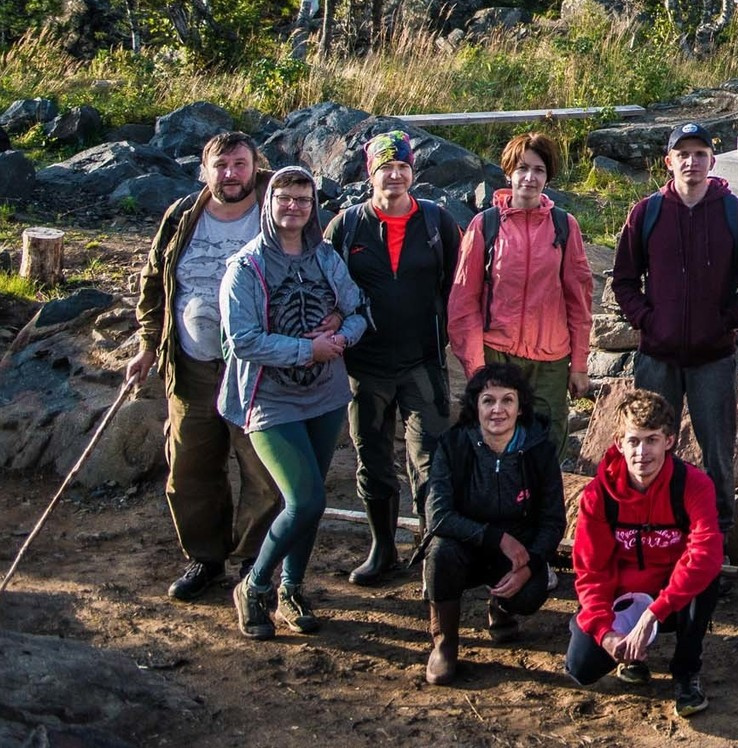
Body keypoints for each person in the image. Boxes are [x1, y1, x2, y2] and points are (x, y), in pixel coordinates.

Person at [126, 130, 281, 603]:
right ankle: (206, 557)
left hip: (258, 372)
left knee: (262, 471)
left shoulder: (279, 208)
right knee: (190, 467)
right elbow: (154, 280)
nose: (230, 175)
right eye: (221, 166)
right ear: (204, 170)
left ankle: (256, 564)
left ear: (255, 166)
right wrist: (148, 342)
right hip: (192, 365)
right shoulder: (181, 217)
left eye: (239, 164)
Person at [217, 164, 370, 640]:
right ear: (269, 202)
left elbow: (359, 309)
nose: (294, 207)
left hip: (324, 396)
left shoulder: (325, 258)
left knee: (309, 501)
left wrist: (340, 337)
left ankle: (292, 587)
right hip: (269, 399)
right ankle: (255, 584)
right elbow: (243, 340)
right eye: (285, 197)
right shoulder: (245, 267)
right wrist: (308, 349)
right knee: (306, 499)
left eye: (303, 199)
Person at [609, 122, 738, 568]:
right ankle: (653, 537)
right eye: (684, 154)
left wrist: (726, 323)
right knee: (648, 447)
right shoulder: (647, 212)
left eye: (700, 153)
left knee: (717, 453)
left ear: (712, 161)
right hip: (658, 355)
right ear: (668, 161)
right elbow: (623, 279)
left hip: (714, 356)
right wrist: (648, 321)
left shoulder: (735, 213)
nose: (692, 162)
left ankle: (718, 543)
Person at [325, 129, 463, 587]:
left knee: (431, 459)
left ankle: (432, 551)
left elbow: (457, 288)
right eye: (386, 167)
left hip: (424, 363)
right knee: (373, 458)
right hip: (365, 367)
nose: (396, 175)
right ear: (371, 173)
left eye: (403, 166)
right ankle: (382, 547)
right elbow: (326, 286)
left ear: (412, 171)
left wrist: (451, 338)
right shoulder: (346, 226)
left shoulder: (437, 222)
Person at [567, 389, 724, 718]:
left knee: (706, 577)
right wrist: (603, 631)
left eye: (652, 440)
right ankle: (627, 655)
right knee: (581, 667)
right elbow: (590, 571)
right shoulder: (598, 496)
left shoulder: (693, 485)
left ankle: (685, 672)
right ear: (619, 442)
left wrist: (653, 614)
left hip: (670, 598)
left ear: (669, 441)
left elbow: (705, 552)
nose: (642, 452)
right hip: (623, 595)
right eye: (634, 441)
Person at [420, 359, 567, 685]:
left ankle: (501, 608)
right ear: (475, 405)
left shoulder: (539, 448)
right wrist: (496, 537)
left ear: (520, 407)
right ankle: (445, 643)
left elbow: (554, 520)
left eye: (507, 400)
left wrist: (530, 562)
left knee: (531, 592)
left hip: (517, 551)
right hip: (467, 543)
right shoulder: (453, 445)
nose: (497, 410)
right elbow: (439, 515)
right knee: (439, 555)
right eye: (488, 400)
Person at [448, 131, 592, 431]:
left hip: (551, 361)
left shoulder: (564, 226)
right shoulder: (484, 225)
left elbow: (579, 300)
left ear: (548, 177)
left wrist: (578, 365)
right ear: (508, 173)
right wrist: (477, 369)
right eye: (522, 168)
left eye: (538, 170)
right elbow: (463, 302)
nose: (529, 177)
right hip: (497, 354)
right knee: (496, 445)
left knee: (547, 446)